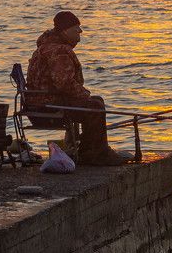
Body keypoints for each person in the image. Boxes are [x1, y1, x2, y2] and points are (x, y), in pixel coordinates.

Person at [26, 11, 131, 166]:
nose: (80, 32)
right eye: (77, 28)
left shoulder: (46, 47)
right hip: (48, 108)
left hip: (40, 104)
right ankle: (94, 154)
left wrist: (85, 96)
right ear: (65, 31)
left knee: (96, 101)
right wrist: (84, 94)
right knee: (94, 106)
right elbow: (64, 83)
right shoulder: (59, 51)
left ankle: (93, 149)